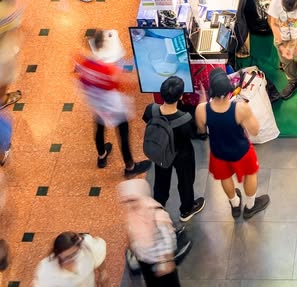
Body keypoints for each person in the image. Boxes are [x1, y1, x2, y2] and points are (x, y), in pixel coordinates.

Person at [195, 69, 269, 220]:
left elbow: (201, 129)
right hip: (241, 151)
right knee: (250, 175)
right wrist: (247, 115)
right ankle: (250, 206)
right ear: (229, 89)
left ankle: (235, 205)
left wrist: (203, 103)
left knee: (225, 178)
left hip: (218, 152)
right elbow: (255, 131)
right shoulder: (240, 108)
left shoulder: (201, 109)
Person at [74, 29, 149, 176]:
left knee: (99, 129)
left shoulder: (82, 62)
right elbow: (126, 85)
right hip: (114, 106)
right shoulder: (107, 69)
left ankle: (101, 156)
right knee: (123, 135)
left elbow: (78, 77)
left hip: (96, 104)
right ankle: (130, 167)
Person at [141, 72, 203, 222]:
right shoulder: (185, 118)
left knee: (161, 182)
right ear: (180, 97)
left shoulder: (151, 110)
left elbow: (146, 120)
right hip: (183, 154)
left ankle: (158, 208)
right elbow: (195, 133)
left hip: (161, 151)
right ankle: (186, 209)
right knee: (186, 181)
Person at [118, 178, 183, 287]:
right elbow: (132, 232)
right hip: (145, 260)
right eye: (127, 201)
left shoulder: (155, 212)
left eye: (133, 200)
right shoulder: (133, 213)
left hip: (160, 261)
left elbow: (168, 237)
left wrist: (167, 261)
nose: (130, 204)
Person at [33, 233, 106, 287]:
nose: (72, 260)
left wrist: (102, 272)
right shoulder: (46, 271)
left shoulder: (87, 247)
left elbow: (99, 254)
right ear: (57, 254)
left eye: (74, 254)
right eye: (67, 257)